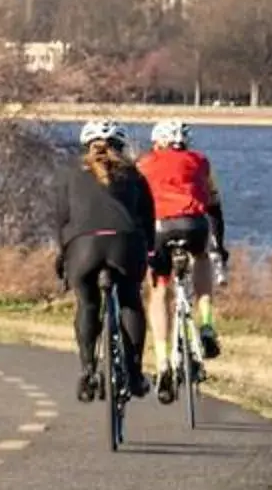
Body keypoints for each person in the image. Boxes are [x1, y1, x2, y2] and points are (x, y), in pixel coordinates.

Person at [55, 116, 154, 403]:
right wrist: (150, 250)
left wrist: (63, 255)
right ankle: (134, 374)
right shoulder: (134, 174)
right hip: (125, 244)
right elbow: (148, 218)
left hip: (83, 247)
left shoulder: (69, 173)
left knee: (87, 304)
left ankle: (88, 370)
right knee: (130, 301)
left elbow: (61, 219)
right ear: (120, 146)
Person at [137, 117, 229, 399]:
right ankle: (207, 325)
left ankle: (163, 361)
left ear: (158, 142)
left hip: (160, 228)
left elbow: (136, 203)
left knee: (159, 290)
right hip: (194, 224)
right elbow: (214, 206)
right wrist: (220, 248)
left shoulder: (143, 164)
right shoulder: (201, 161)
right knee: (201, 259)